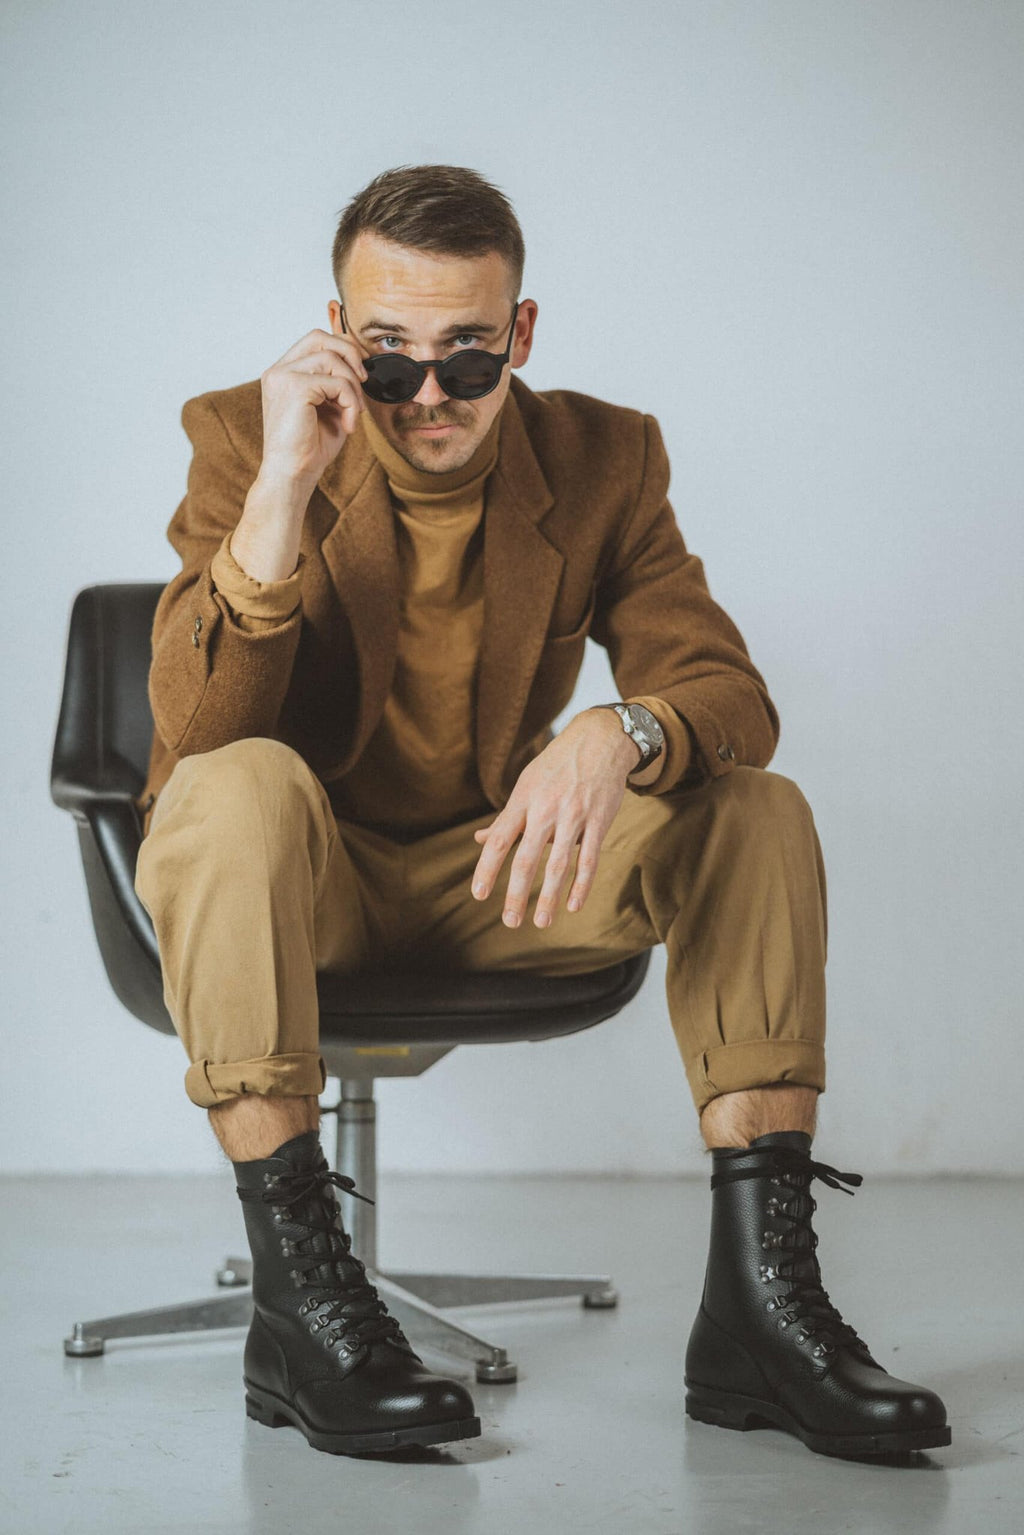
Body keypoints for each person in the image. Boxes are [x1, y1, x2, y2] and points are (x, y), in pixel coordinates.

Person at [133, 163, 951, 1460]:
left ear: (520, 333)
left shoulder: (602, 456)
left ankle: (760, 1317)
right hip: (302, 880)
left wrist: (616, 731)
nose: (431, 398)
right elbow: (195, 734)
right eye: (389, 361)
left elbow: (723, 688)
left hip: (496, 875)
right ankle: (302, 1307)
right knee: (236, 780)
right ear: (336, 335)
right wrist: (288, 484)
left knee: (753, 809)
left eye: (468, 356)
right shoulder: (245, 433)